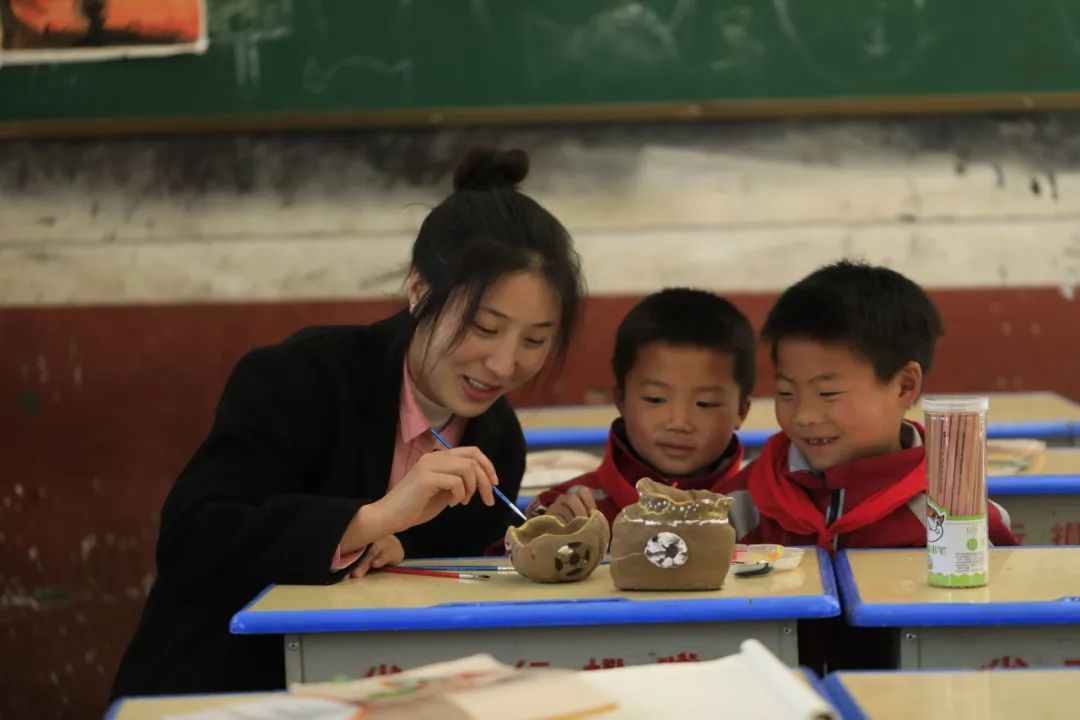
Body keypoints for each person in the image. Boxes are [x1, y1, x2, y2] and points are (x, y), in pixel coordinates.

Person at [110, 147, 584, 697]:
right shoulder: (301, 377)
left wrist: (531, 538)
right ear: (419, 291)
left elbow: (449, 592)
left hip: (387, 695)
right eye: (484, 328)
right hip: (225, 686)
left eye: (534, 340)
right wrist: (368, 522)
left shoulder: (496, 441)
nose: (504, 365)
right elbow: (195, 537)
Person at [724, 260, 1018, 550]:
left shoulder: (955, 515)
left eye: (827, 393)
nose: (804, 416)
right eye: (786, 393)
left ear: (904, 385)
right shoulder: (744, 502)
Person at [527, 288, 755, 526]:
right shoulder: (566, 510)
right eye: (655, 399)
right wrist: (549, 540)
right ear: (621, 399)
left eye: (705, 403)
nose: (679, 423)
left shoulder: (763, 512)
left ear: (741, 411)